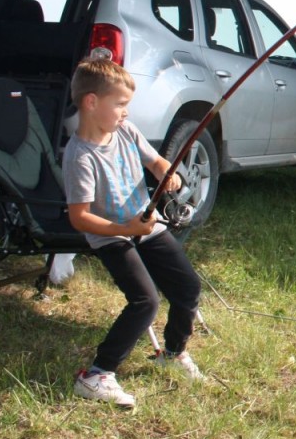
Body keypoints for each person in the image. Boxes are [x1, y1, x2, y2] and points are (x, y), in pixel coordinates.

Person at [63, 55, 203, 407]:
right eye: (120, 104)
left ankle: (173, 353)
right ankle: (96, 375)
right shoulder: (80, 157)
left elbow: (154, 160)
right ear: (91, 102)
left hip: (146, 226)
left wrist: (166, 172)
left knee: (187, 287)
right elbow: (79, 218)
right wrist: (124, 228)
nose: (126, 112)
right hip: (110, 235)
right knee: (145, 301)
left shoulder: (125, 130)